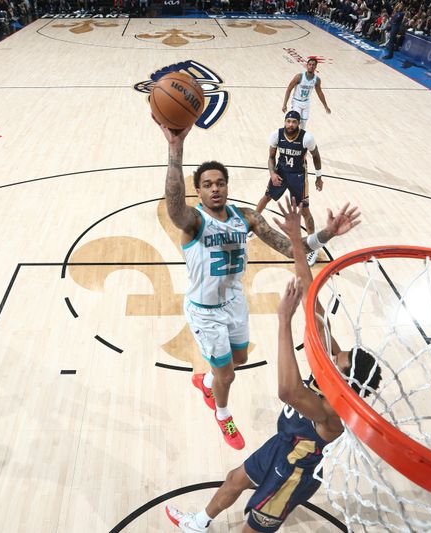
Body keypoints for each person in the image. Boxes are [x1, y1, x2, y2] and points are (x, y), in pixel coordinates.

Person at [165, 196, 376, 533]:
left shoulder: (333, 413)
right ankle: (199, 524)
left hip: (292, 474)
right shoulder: (332, 370)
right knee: (235, 479)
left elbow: (288, 391)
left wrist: (282, 322)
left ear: (348, 380)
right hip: (282, 447)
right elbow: (312, 298)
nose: (337, 354)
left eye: (342, 358)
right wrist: (298, 238)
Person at [160, 124, 358, 450]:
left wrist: (327, 233)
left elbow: (291, 245)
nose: (215, 189)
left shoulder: (247, 218)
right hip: (204, 312)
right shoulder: (193, 221)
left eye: (220, 183)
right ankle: (222, 412)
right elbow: (173, 207)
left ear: (227, 187)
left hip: (235, 304)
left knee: (237, 359)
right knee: (228, 375)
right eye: (207, 185)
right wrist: (175, 150)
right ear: (198, 192)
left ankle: (206, 382)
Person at [255, 110, 324, 267]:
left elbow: (316, 156)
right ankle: (250, 223)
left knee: (305, 210)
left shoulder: (307, 138)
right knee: (266, 197)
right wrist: (272, 173)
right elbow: (271, 157)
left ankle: (313, 247)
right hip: (281, 173)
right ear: (285, 122)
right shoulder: (276, 135)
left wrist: (319, 177)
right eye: (288, 121)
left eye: (294, 122)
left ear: (298, 123)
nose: (290, 124)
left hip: (298, 176)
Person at [281, 58, 330, 130]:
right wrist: (284, 104)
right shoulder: (299, 76)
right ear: (307, 65)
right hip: (296, 102)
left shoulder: (317, 80)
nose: (311, 66)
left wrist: (325, 106)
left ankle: (300, 139)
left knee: (303, 124)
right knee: (295, 121)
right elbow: (289, 89)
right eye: (310, 64)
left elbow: (320, 93)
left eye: (313, 65)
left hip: (306, 103)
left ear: (316, 67)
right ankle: (288, 136)